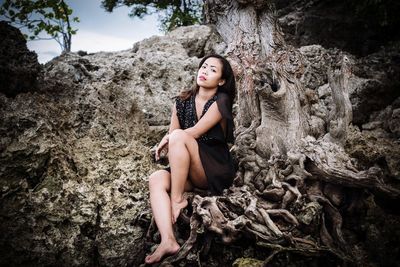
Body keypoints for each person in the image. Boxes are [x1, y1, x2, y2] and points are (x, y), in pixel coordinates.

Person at [144, 54, 236, 264]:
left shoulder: (221, 100)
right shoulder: (181, 101)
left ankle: (177, 198)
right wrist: (168, 138)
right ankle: (168, 240)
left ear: (221, 81)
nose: (204, 71)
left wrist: (169, 137)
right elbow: (174, 134)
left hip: (213, 169)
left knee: (179, 136)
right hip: (187, 169)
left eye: (213, 70)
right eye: (204, 66)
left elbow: (192, 132)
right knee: (156, 178)